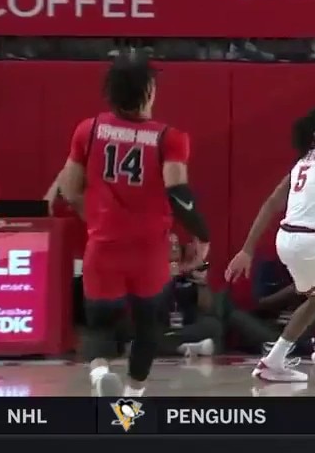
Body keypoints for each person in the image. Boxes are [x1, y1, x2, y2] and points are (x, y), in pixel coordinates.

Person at [54, 55, 210, 398]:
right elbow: (178, 193)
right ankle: (132, 396)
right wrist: (201, 234)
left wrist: (96, 217)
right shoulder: (169, 138)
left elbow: (69, 188)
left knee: (99, 322)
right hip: (149, 249)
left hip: (104, 244)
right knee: (147, 327)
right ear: (149, 91)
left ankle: (99, 373)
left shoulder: (89, 129)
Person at [225, 106, 315, 383]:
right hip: (311, 238)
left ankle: (273, 361)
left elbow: (271, 204)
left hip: (286, 240)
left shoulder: (303, 162)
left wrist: (247, 249)